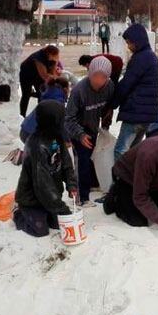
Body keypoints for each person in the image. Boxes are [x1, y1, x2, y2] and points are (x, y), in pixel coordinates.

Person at [14, 100, 78, 238]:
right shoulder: (36, 146)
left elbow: (67, 163)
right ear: (52, 121)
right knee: (41, 230)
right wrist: (62, 209)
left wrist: (71, 185)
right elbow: (43, 186)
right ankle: (18, 213)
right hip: (32, 199)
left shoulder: (57, 138)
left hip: (50, 196)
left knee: (57, 224)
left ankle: (48, 212)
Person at [65, 56, 116, 206]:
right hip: (77, 130)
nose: (98, 81)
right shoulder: (79, 91)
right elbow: (68, 118)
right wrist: (80, 135)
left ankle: (93, 183)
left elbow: (108, 106)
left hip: (93, 128)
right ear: (90, 73)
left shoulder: (109, 86)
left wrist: (106, 121)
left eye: (103, 77)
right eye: (95, 76)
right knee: (82, 161)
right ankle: (82, 197)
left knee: (95, 157)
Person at [114, 24, 158, 159]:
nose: (128, 46)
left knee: (120, 151)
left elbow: (126, 84)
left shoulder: (140, 58)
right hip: (147, 115)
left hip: (135, 113)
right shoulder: (151, 57)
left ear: (138, 41)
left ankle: (119, 178)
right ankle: (131, 177)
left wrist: (112, 104)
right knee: (133, 152)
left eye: (129, 42)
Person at [20, 77, 70, 144]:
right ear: (65, 89)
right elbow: (60, 127)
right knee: (54, 147)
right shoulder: (58, 102)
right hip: (32, 135)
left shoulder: (49, 95)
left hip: (25, 130)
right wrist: (67, 141)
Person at [19, 45, 60, 117]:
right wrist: (53, 79)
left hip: (38, 75)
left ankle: (41, 114)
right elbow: (44, 76)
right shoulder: (38, 58)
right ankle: (22, 115)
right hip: (26, 74)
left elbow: (53, 70)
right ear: (49, 54)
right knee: (26, 95)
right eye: (54, 56)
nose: (56, 58)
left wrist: (54, 77)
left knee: (42, 93)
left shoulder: (54, 55)